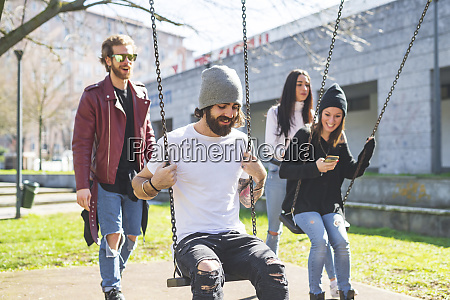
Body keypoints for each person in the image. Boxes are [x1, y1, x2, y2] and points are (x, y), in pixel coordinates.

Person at [132, 65, 289, 300]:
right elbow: (137, 184)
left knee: (274, 268)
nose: (229, 113)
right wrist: (154, 183)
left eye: (235, 107)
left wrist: (260, 177)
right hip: (193, 241)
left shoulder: (241, 141)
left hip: (234, 237)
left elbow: (247, 201)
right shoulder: (174, 141)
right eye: (222, 106)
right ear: (205, 107)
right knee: (208, 270)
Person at [72, 34, 155, 300]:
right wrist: (83, 185)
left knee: (132, 235)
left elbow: (149, 136)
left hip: (136, 179)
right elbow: (82, 144)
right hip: (106, 180)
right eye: (121, 57)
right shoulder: (94, 96)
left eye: (131, 56)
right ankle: (112, 288)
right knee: (113, 235)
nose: (127, 62)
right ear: (108, 60)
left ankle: (113, 276)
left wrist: (155, 170)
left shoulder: (140, 93)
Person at [279, 83, 375, 300]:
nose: (331, 121)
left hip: (330, 205)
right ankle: (316, 292)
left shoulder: (340, 140)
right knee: (320, 241)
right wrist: (315, 168)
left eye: (338, 116)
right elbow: (285, 170)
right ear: (320, 113)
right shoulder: (304, 135)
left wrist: (366, 154)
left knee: (341, 242)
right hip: (304, 205)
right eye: (327, 114)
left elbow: (352, 172)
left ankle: (345, 290)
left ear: (343, 117)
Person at [264, 70, 339, 297]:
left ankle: (335, 282)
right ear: (290, 87)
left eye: (307, 84)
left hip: (307, 178)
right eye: (299, 84)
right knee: (273, 230)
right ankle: (267, 278)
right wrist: (293, 162)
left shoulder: (313, 116)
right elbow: (269, 148)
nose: (304, 89)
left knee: (320, 234)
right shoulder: (275, 112)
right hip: (280, 174)